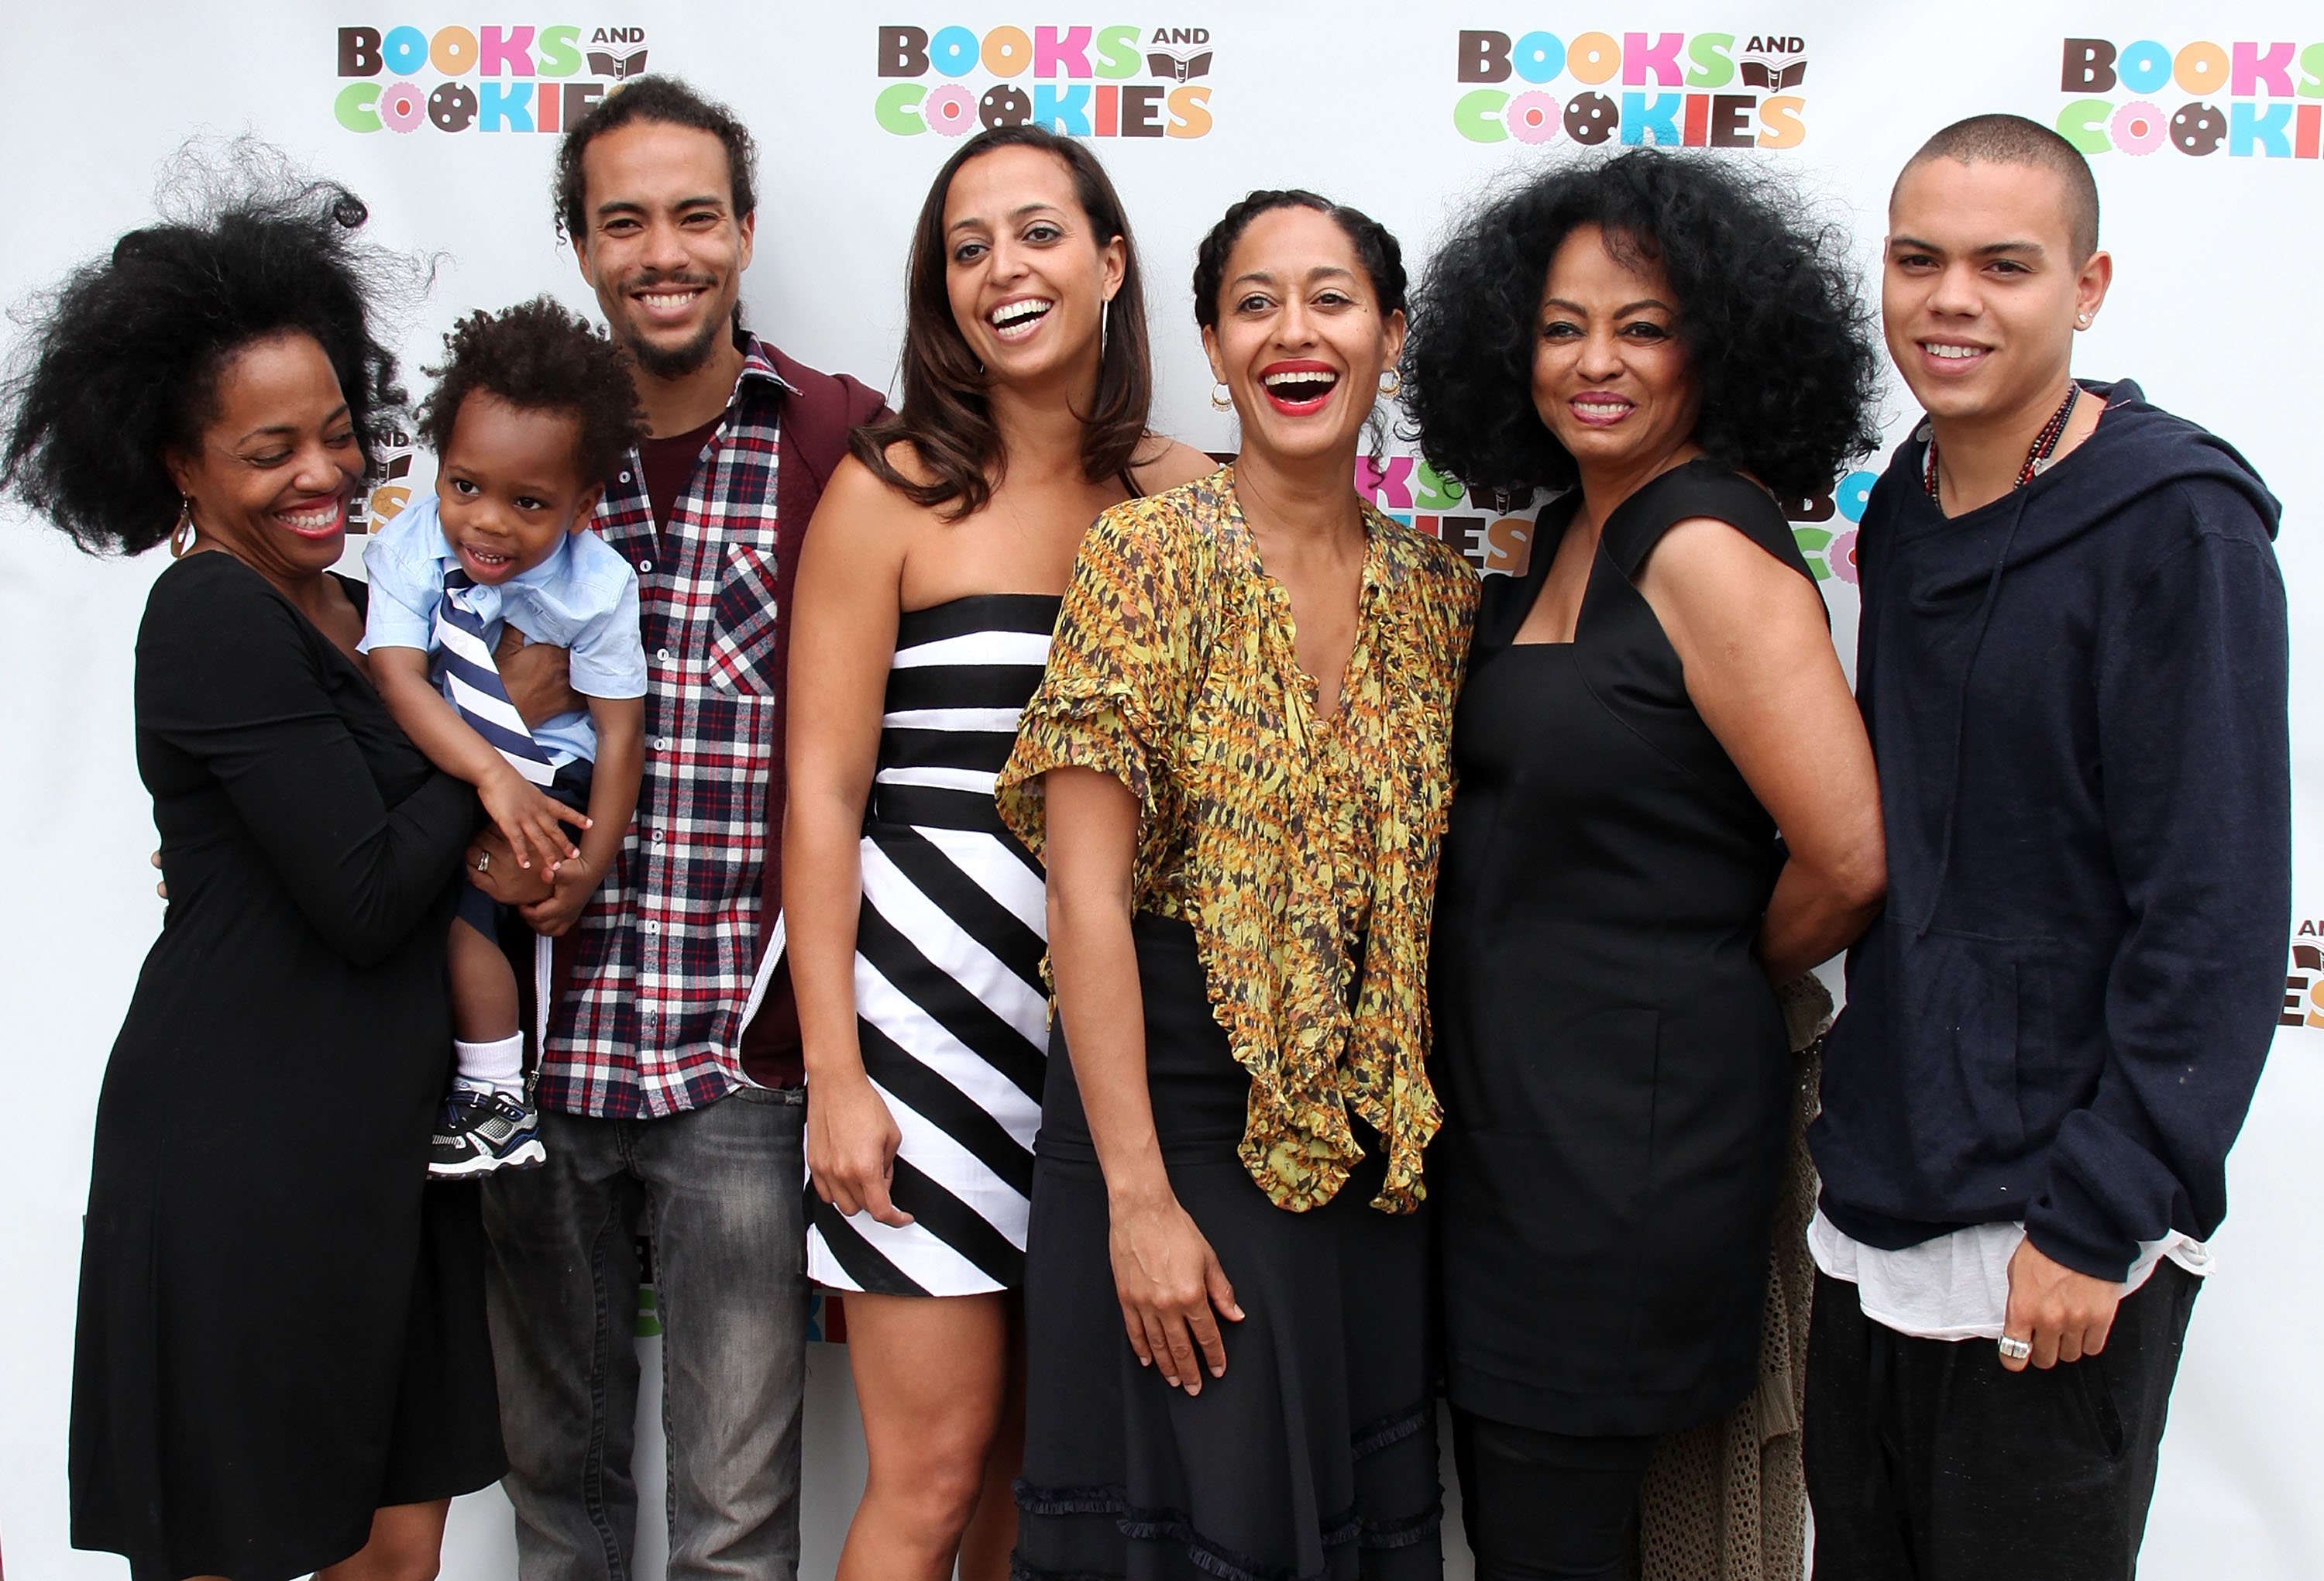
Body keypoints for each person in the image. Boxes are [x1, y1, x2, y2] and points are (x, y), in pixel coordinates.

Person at [2, 154, 503, 1581]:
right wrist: (479, 764)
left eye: (339, 432)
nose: (322, 472)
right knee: (231, 1552)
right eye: (267, 449)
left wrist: (466, 772)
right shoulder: (208, 612)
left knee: (396, 1552)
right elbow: (358, 896)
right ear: (179, 463)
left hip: (394, 1151)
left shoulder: (371, 605)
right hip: (243, 1152)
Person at [1804, 114, 2290, 1581]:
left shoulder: (2181, 526)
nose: (1951, 299)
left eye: (2003, 265)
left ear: (2086, 288)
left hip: (2059, 1231)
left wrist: (2100, 1214)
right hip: (1882, 1201)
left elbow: (2213, 903)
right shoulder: (1901, 504)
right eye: (1919, 260)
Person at [1401, 146, 1887, 1581]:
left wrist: (1698, 970)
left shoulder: (1707, 543)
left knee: (1556, 1540)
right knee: (1522, 1528)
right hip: (1508, 1139)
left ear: (1716, 344)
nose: (1593, 362)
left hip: (1625, 1160)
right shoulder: (1569, 529)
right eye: (1561, 327)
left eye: (1643, 325)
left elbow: (1849, 857)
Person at [995, 189, 1478, 1581]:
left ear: (1388, 333)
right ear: (1213, 348)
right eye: (1255, 303)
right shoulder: (1147, 559)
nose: (1294, 332)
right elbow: (1082, 901)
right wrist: (1137, 1203)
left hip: (1371, 1159)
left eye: (1331, 298)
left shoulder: (1438, 600)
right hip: (1175, 1126)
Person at [462, 77, 886, 1579]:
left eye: (695, 215)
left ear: (746, 232)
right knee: (553, 1507)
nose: (664, 250)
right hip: (542, 1055)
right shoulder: (508, 455)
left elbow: (1021, 500)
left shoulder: (837, 433)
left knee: (735, 1517)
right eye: (623, 219)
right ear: (581, 246)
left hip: (743, 1066)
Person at [783, 124, 1212, 1581]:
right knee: (933, 1474)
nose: (1002, 271)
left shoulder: (1191, 496)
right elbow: (823, 796)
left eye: (1036, 233)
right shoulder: (889, 486)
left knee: (1049, 1482)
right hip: (925, 1039)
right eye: (968, 249)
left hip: (1125, 1050)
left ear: (1108, 258)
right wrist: (836, 1076)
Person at [363, 297, 649, 1178]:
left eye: (529, 503)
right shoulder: (411, 543)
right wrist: (488, 777)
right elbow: (398, 678)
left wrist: (591, 861)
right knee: (436, 914)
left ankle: (492, 1097)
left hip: (555, 769)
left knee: (476, 909)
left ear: (584, 504)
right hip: (461, 763)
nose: (487, 522)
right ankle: (479, 1087)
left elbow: (621, 730)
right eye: (465, 486)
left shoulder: (597, 588)